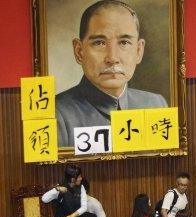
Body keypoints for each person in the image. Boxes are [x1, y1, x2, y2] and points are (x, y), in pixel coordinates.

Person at [55, 0, 167, 148]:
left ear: (139, 51)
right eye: (99, 43)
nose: (112, 58)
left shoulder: (155, 105)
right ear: (79, 51)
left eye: (124, 42)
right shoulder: (58, 115)